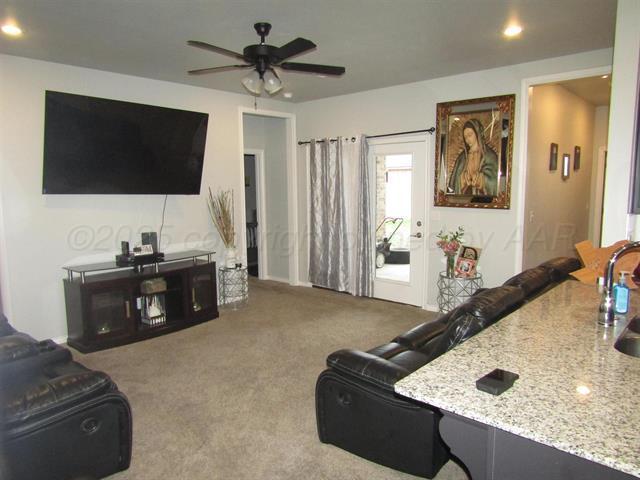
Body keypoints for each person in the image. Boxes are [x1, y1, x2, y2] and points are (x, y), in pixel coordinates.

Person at [448, 119, 499, 196]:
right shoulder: (462, 157)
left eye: (470, 135)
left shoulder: (490, 155)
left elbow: (494, 180)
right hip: (465, 199)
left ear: (477, 133)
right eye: (465, 137)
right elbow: (452, 184)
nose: (468, 139)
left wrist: (480, 179)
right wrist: (463, 179)